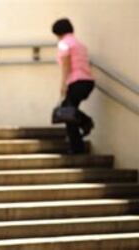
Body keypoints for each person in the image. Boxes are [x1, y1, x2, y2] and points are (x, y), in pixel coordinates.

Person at [52, 18, 95, 154]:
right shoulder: (80, 44)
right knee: (68, 110)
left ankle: (78, 143)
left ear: (58, 33)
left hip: (76, 82)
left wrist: (63, 84)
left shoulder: (64, 44)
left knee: (67, 112)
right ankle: (84, 128)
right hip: (88, 82)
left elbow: (66, 65)